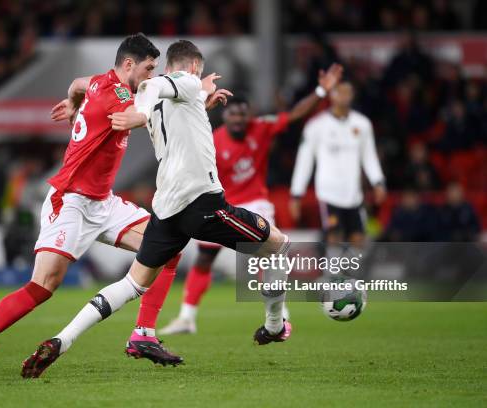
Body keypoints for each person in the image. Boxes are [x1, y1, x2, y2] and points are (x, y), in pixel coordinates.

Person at [22, 40, 293, 378]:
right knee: (278, 245)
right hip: (202, 203)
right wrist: (144, 110)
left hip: (167, 210)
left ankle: (63, 340)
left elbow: (162, 107)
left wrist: (191, 101)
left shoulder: (173, 97)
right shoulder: (174, 84)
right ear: (193, 66)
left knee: (132, 284)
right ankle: (274, 324)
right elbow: (158, 85)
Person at [0, 34, 183, 374]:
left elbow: (76, 84)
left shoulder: (97, 83)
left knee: (168, 244)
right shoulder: (115, 94)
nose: (151, 75)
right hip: (70, 201)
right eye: (148, 68)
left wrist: (73, 104)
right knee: (44, 286)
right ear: (129, 65)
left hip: (103, 203)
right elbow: (138, 116)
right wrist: (191, 102)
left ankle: (143, 332)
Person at [159, 64, 343, 336]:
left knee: (270, 254)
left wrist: (321, 91)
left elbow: (293, 115)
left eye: (243, 115)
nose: (238, 119)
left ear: (249, 116)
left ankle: (280, 317)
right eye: (233, 114)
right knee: (204, 258)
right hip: (222, 204)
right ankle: (187, 317)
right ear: (226, 115)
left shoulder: (262, 128)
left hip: (256, 202)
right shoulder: (213, 140)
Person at [289, 81, 386, 246]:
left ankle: (351, 272)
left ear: (353, 94)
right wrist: (296, 193)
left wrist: (378, 181)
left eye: (347, 92)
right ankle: (331, 271)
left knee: (358, 239)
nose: (344, 96)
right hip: (329, 193)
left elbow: (369, 156)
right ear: (331, 94)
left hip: (354, 193)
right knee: (334, 237)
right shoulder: (316, 126)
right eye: (339, 92)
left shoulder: (362, 124)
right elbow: (304, 161)